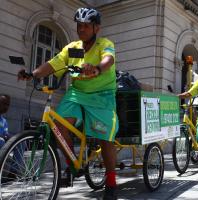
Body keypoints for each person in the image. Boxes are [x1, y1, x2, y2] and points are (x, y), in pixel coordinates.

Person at [18, 8, 118, 199]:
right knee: (58, 125)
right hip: (77, 93)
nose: (81, 29)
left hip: (101, 96)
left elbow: (108, 60)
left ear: (96, 28)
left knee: (106, 138)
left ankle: (111, 180)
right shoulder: (74, 48)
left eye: (86, 26)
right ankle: (72, 164)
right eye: (79, 26)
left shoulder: (105, 44)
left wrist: (96, 69)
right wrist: (33, 74)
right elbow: (54, 63)